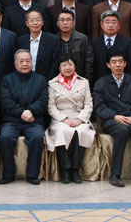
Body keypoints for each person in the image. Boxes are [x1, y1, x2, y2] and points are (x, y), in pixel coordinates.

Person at [93, 51, 131, 187]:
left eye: (120, 61)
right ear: (108, 65)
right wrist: (114, 116)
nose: (117, 65)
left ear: (125, 63)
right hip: (111, 119)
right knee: (122, 131)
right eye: (114, 62)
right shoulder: (101, 83)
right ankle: (115, 175)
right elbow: (100, 107)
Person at [0, 50, 48, 185]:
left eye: (28, 61)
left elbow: (43, 100)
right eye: (21, 61)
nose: (25, 64)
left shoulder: (41, 80)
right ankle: (8, 174)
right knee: (5, 137)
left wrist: (31, 111)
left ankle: (32, 174)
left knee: (37, 137)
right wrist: (21, 112)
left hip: (34, 120)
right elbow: (6, 101)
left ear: (32, 62)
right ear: (15, 64)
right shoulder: (7, 80)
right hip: (12, 120)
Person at [46, 54, 95, 184]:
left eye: (70, 64)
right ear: (59, 67)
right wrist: (64, 119)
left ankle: (75, 169)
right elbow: (51, 107)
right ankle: (65, 170)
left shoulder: (83, 82)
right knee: (63, 131)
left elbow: (89, 104)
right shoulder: (52, 83)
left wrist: (80, 119)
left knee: (81, 131)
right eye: (64, 65)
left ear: (75, 66)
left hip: (79, 116)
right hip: (60, 118)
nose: (67, 67)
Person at [91, 10, 131, 86]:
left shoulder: (128, 43)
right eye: (107, 22)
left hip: (122, 84)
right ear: (102, 25)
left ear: (119, 25)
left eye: (114, 22)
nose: (110, 25)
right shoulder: (94, 43)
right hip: (100, 84)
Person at [17, 10, 59, 79]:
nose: (35, 23)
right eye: (32, 20)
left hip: (46, 79)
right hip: (25, 79)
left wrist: (47, 81)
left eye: (38, 20)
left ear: (42, 22)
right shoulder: (21, 41)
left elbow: (55, 64)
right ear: (27, 23)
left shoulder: (52, 40)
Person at [55, 9, 94, 80]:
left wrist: (87, 80)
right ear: (57, 23)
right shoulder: (52, 40)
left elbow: (89, 61)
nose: (65, 23)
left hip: (79, 80)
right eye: (62, 20)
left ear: (73, 22)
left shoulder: (82, 39)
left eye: (68, 20)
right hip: (58, 80)